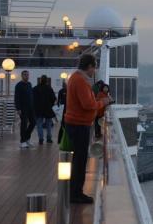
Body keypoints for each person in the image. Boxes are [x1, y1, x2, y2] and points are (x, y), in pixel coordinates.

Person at [65, 54, 110, 204]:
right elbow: (88, 105)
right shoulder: (80, 81)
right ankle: (76, 193)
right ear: (90, 66)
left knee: (78, 159)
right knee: (80, 160)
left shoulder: (75, 78)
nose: (94, 70)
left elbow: (87, 102)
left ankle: (74, 191)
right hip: (79, 126)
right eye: (94, 67)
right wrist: (103, 102)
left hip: (75, 124)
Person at [14, 70, 36, 148]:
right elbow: (16, 97)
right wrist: (18, 108)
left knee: (33, 122)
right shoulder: (19, 85)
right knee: (24, 124)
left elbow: (31, 95)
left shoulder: (29, 84)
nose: (27, 76)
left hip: (31, 108)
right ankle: (23, 141)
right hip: (23, 108)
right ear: (22, 76)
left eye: (27, 75)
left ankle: (26, 138)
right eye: (25, 75)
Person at [33, 75, 56, 144]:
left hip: (38, 109)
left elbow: (32, 99)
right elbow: (53, 98)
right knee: (48, 125)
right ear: (46, 81)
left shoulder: (35, 88)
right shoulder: (49, 88)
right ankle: (49, 139)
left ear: (40, 80)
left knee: (39, 124)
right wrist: (50, 105)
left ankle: (41, 139)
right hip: (48, 109)